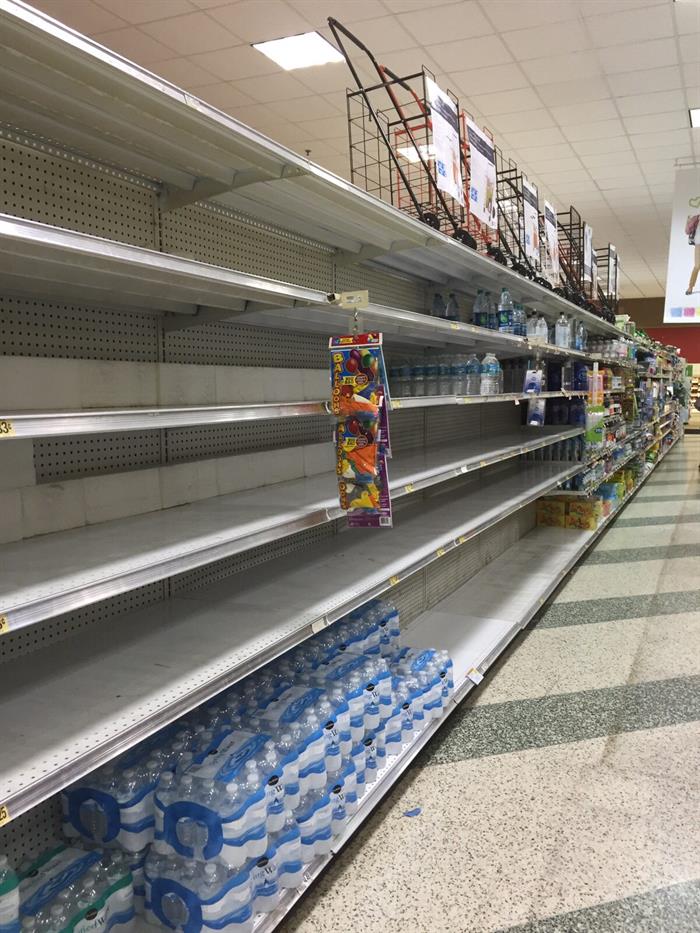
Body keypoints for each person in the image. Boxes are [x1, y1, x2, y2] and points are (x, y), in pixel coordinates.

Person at [686, 211, 700, 295]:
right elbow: (687, 231)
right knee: (697, 266)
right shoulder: (696, 218)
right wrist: (689, 221)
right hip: (698, 245)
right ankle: (690, 287)